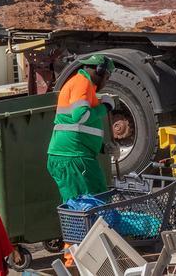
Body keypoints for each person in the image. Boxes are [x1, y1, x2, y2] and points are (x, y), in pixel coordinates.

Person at [48, 54, 113, 266]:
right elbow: (81, 116)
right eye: (107, 76)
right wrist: (105, 107)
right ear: (100, 71)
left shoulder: (80, 84)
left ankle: (81, 258)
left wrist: (99, 145)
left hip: (74, 156)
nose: (107, 81)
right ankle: (75, 261)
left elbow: (76, 125)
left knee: (82, 207)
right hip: (74, 159)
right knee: (84, 209)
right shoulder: (83, 82)